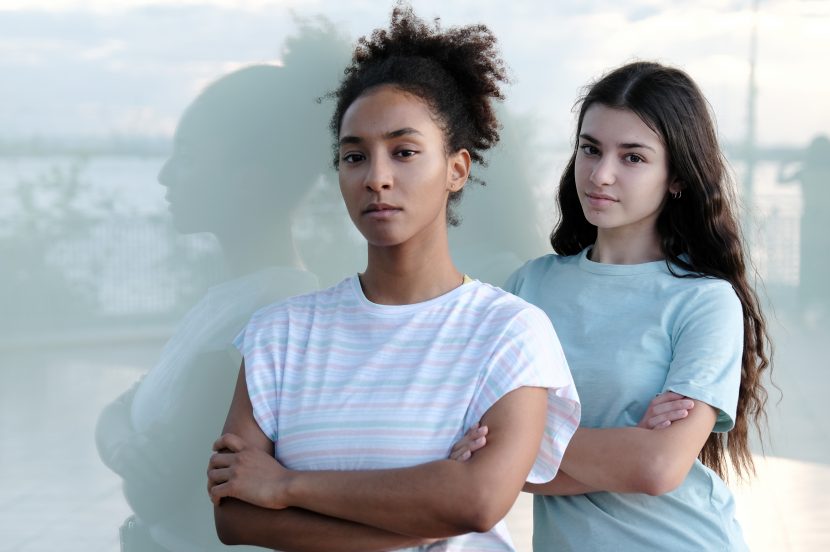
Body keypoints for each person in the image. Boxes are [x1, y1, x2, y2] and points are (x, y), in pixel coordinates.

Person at [206, 5, 580, 551]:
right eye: (354, 156)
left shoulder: (510, 332)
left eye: (404, 152)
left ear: (456, 169)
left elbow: (476, 501)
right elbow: (235, 517)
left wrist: (285, 485)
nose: (376, 178)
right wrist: (422, 511)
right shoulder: (278, 334)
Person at [452, 61, 771, 550]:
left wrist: (526, 444)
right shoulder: (529, 288)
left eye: (633, 157)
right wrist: (626, 449)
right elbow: (484, 464)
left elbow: (659, 467)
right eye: (590, 149)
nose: (600, 174)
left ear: (677, 176)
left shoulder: (705, 302)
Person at [95, 24, 349, 552]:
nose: (165, 175)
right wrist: (123, 440)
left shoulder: (261, 319)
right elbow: (121, 408)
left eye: (186, 156)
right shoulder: (229, 301)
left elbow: (159, 492)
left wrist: (119, 440)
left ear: (247, 181)